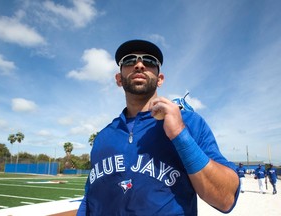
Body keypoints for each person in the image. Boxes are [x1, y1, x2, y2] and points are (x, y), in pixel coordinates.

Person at [77, 39, 240, 215]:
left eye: (149, 61)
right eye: (130, 61)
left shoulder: (190, 123)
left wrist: (180, 134)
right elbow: (90, 196)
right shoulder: (103, 137)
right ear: (118, 79)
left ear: (160, 79)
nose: (139, 65)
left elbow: (226, 198)